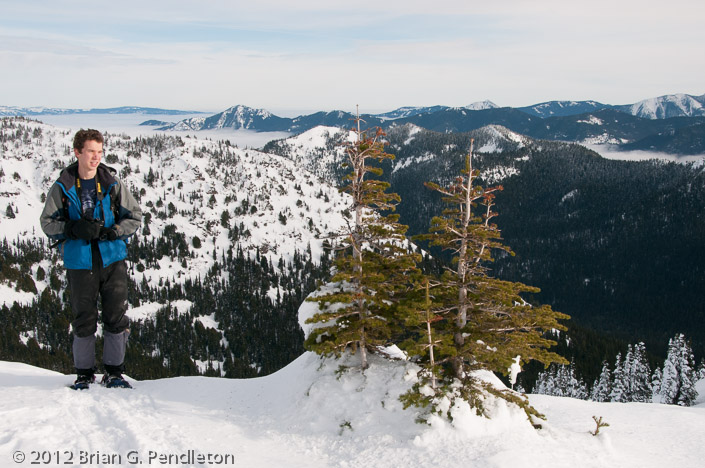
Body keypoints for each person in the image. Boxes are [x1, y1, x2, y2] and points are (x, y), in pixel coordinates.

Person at [40, 129, 142, 389]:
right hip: (80, 261)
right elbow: (47, 222)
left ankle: (114, 372)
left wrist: (114, 231)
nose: (96, 157)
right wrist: (72, 229)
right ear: (77, 152)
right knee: (84, 318)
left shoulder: (112, 183)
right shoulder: (63, 186)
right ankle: (84, 374)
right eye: (91, 152)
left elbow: (134, 217)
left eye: (99, 151)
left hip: (111, 258)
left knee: (116, 316)